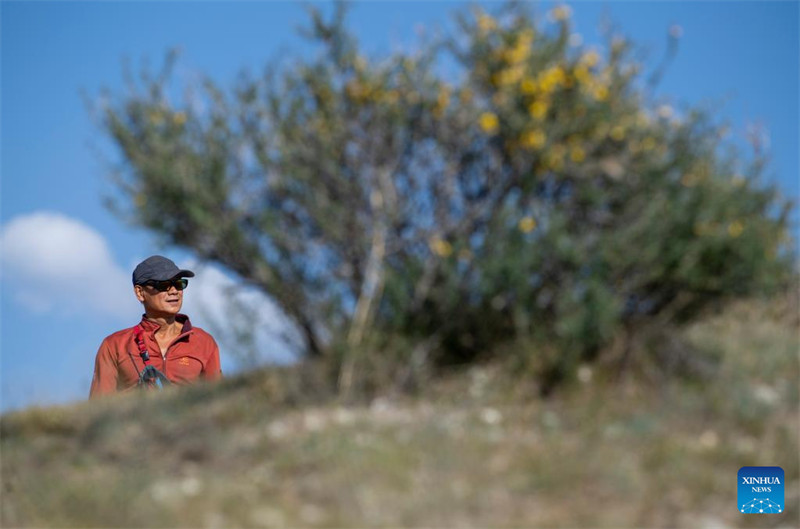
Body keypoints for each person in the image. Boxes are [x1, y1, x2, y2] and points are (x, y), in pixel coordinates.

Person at [89, 255, 221, 398]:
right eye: (163, 285)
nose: (174, 291)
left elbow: (220, 401)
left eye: (179, 284)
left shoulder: (204, 342)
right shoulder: (114, 345)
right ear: (140, 293)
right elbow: (99, 406)